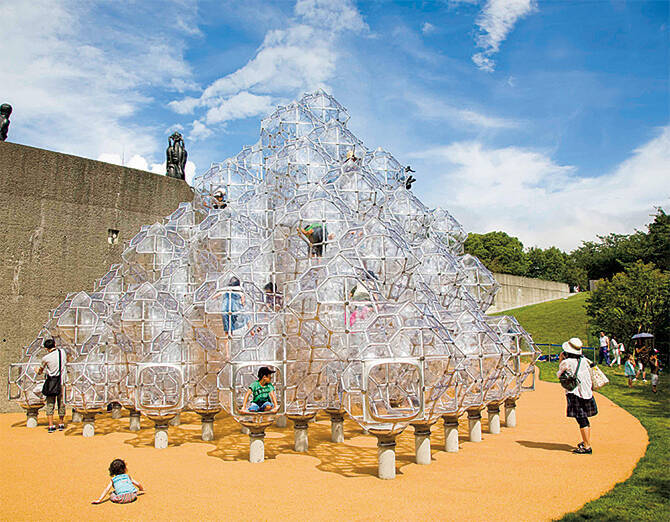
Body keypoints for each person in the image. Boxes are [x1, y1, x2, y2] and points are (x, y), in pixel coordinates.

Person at [557, 338, 597, 454]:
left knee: (581, 419)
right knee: (584, 418)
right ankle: (586, 441)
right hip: (586, 391)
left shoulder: (567, 362)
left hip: (575, 393)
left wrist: (560, 360)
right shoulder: (584, 360)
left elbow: (559, 375)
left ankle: (587, 447)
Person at [36, 339, 67, 433]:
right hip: (62, 382)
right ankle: (61, 423)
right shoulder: (62, 352)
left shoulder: (46, 358)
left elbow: (40, 371)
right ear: (55, 344)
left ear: (46, 348)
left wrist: (36, 370)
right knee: (61, 403)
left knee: (50, 403)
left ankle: (51, 425)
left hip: (51, 383)